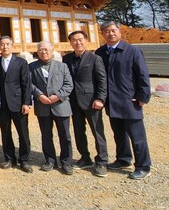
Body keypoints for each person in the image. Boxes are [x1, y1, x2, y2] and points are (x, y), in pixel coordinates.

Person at [95, 21, 152, 180]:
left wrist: (143, 96)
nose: (110, 33)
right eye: (106, 31)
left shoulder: (132, 51)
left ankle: (143, 166)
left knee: (137, 136)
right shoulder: (100, 53)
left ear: (119, 32)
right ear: (102, 34)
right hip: (111, 102)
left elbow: (143, 75)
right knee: (118, 134)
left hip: (129, 100)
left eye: (113, 30)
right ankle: (123, 159)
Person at [63, 30, 108, 178]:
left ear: (86, 40)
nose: (78, 42)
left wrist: (100, 99)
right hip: (73, 102)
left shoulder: (95, 58)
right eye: (74, 40)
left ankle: (102, 161)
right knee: (78, 131)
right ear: (70, 43)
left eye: (80, 39)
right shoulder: (67, 59)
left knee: (97, 131)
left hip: (91, 101)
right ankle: (85, 157)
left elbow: (102, 80)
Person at [30, 41, 74, 175]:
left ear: (52, 50)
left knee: (65, 135)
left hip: (60, 105)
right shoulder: (31, 67)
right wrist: (39, 95)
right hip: (42, 105)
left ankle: (66, 162)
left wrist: (57, 96)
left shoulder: (62, 66)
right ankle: (50, 160)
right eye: (41, 50)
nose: (44, 52)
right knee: (46, 135)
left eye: (46, 49)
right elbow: (29, 84)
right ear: (37, 52)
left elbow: (68, 85)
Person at [0, 36, 33, 173]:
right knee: (5, 132)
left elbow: (26, 84)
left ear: (12, 46)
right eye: (2, 44)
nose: (5, 47)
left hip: (18, 102)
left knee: (23, 132)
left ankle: (25, 159)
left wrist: (26, 102)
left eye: (7, 44)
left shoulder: (21, 62)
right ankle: (9, 158)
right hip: (2, 104)